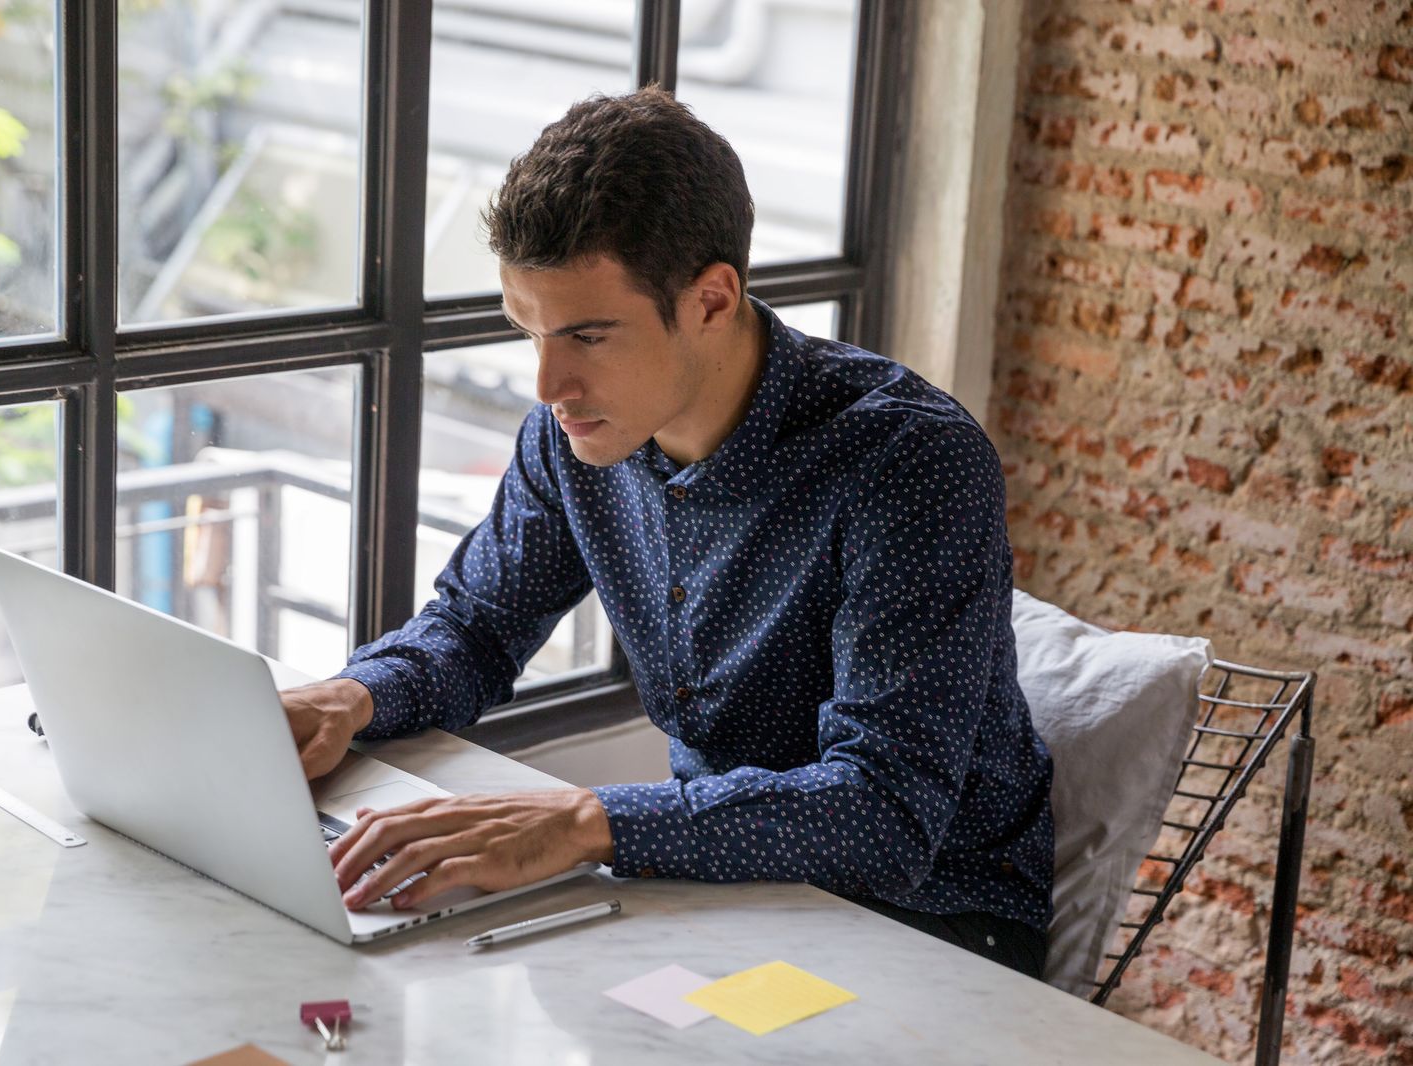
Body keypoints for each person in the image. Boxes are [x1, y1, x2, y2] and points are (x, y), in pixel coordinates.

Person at [280, 86, 1054, 978]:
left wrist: (581, 824)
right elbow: (477, 626)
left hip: (928, 928)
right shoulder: (575, 436)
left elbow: (882, 815)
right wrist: (354, 697)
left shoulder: (909, 462)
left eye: (588, 336)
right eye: (526, 329)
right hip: (716, 883)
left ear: (713, 300)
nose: (547, 385)